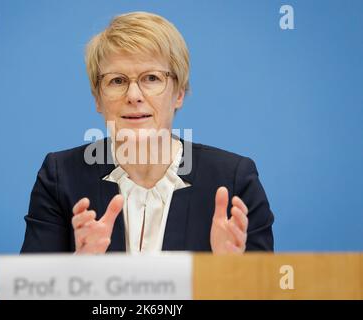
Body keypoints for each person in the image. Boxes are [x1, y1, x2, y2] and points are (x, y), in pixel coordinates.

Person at [21, 11, 274, 254]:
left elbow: (267, 293)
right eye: (117, 81)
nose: (133, 96)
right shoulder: (60, 176)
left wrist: (233, 273)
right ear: (97, 98)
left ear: (179, 93)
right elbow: (28, 290)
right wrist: (78, 269)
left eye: (151, 78)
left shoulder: (234, 181)